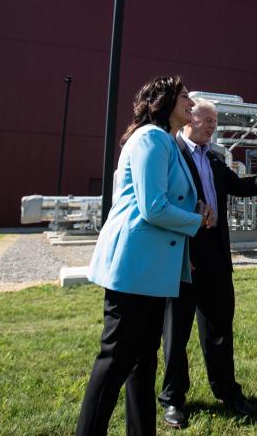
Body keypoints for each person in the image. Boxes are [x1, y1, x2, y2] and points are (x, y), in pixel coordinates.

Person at [75, 76, 216, 436]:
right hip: (134, 268)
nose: (190, 101)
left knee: (142, 361)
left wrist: (194, 207)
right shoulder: (151, 138)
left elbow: (169, 198)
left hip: (152, 272)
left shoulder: (165, 140)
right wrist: (196, 221)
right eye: (184, 95)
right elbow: (152, 207)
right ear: (165, 101)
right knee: (116, 359)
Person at [159, 98, 257, 428]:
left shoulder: (214, 158)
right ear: (187, 119)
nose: (213, 125)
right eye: (207, 119)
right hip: (184, 256)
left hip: (216, 256)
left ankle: (226, 389)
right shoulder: (171, 153)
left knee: (220, 329)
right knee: (176, 332)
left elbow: (238, 186)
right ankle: (173, 398)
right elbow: (163, 200)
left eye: (216, 120)